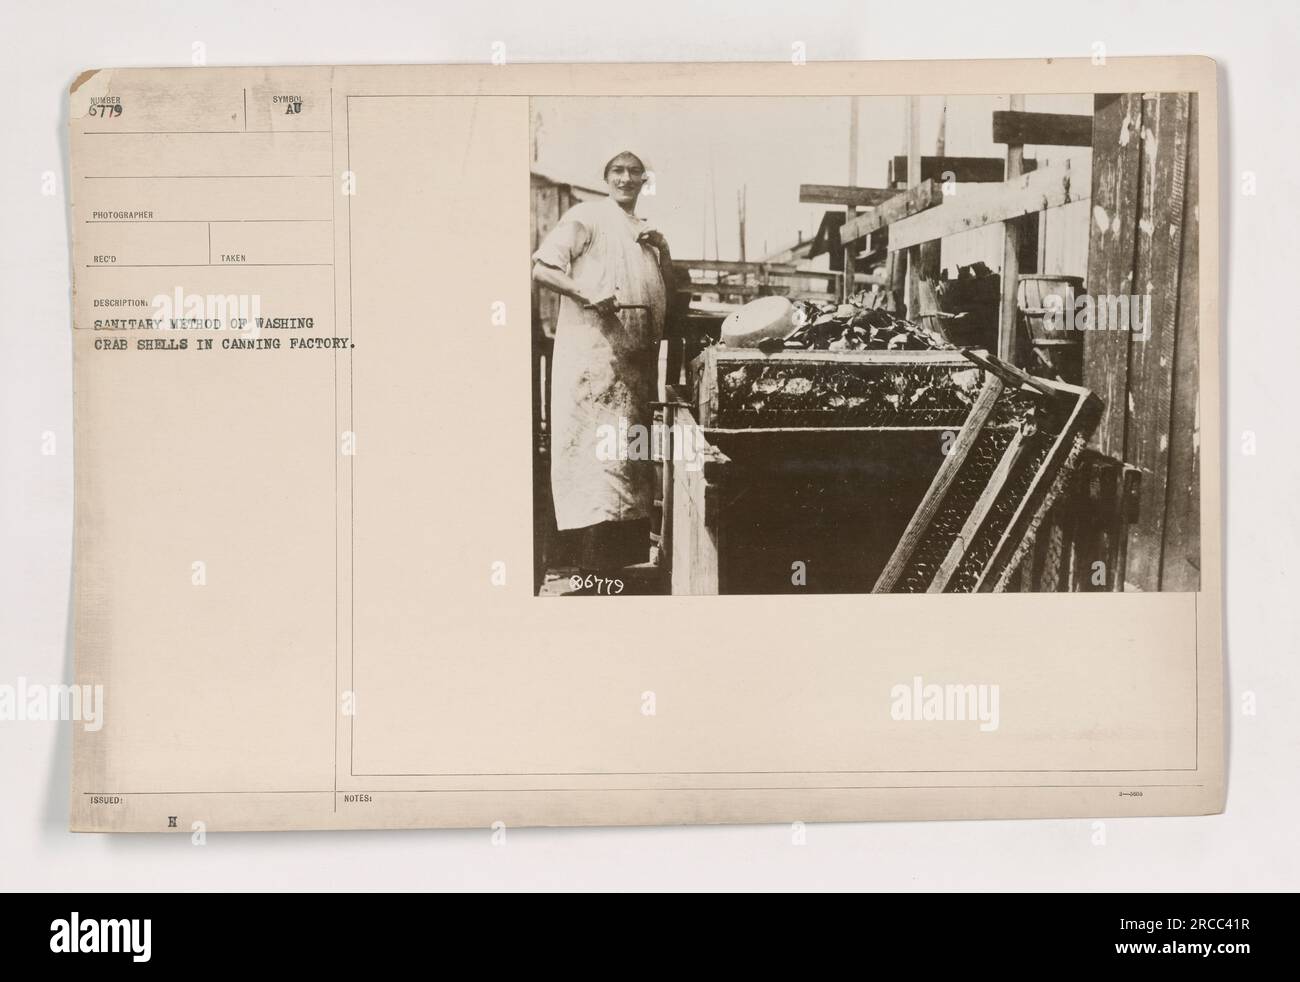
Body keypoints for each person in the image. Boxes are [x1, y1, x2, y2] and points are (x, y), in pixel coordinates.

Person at [532, 151, 673, 583]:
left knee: (626, 463)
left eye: (634, 172)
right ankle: (591, 571)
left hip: (631, 368)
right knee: (595, 463)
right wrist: (584, 292)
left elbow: (666, 290)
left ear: (644, 180)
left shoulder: (642, 231)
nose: (626, 178)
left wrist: (663, 251)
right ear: (605, 177)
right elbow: (542, 268)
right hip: (593, 362)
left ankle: (618, 571)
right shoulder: (586, 216)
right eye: (618, 171)